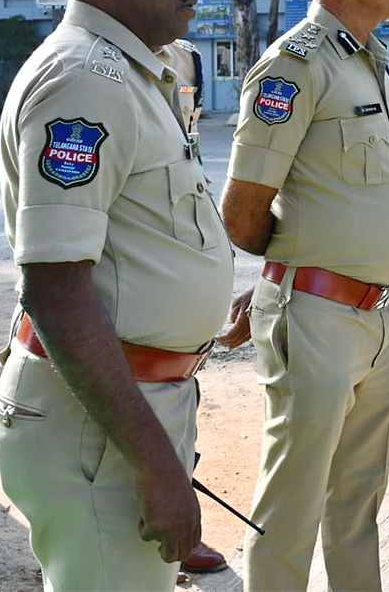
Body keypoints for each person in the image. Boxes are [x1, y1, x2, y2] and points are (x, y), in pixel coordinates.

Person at [0, 0, 234, 590]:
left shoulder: (137, 71)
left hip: (126, 412)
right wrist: (156, 465)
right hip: (100, 431)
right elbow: (56, 290)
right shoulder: (84, 81)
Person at [217, 0, 389, 592]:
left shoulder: (368, 61)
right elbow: (242, 211)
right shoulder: (293, 66)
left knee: (357, 504)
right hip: (318, 319)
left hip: (377, 319)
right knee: (292, 508)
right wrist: (299, 269)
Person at [153, 36, 230, 578]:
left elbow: (190, 143)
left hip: (182, 241)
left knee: (184, 391)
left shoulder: (188, 60)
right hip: (130, 247)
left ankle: (182, 527)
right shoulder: (95, 58)